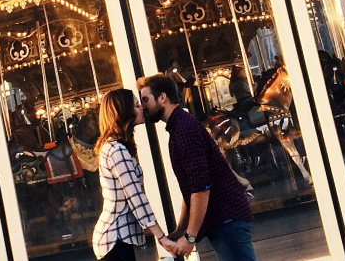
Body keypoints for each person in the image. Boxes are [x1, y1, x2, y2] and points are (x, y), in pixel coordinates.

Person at [137, 74, 256, 261]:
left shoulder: (184, 130)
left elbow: (201, 188)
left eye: (145, 100)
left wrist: (190, 237)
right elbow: (192, 188)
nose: (143, 107)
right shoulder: (180, 127)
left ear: (162, 97)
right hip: (225, 222)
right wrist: (180, 231)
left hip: (227, 221)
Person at [92, 89, 176, 260]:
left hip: (118, 237)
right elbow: (136, 197)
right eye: (137, 106)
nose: (142, 109)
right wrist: (161, 237)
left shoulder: (117, 147)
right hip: (114, 238)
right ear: (124, 112)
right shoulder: (116, 150)